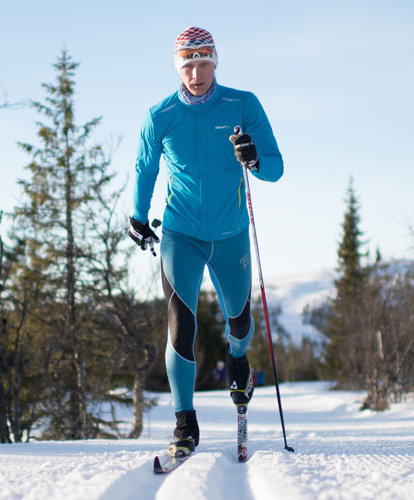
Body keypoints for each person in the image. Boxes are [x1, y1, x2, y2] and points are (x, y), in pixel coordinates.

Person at [128, 26, 284, 458]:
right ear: (178, 67)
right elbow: (145, 169)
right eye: (187, 64)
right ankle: (184, 423)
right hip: (181, 234)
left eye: (203, 62)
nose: (195, 73)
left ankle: (237, 358)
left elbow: (275, 168)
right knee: (181, 325)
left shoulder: (242, 104)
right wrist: (138, 219)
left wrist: (253, 157)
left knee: (239, 321)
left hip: (231, 234)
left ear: (215, 62)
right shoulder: (159, 115)